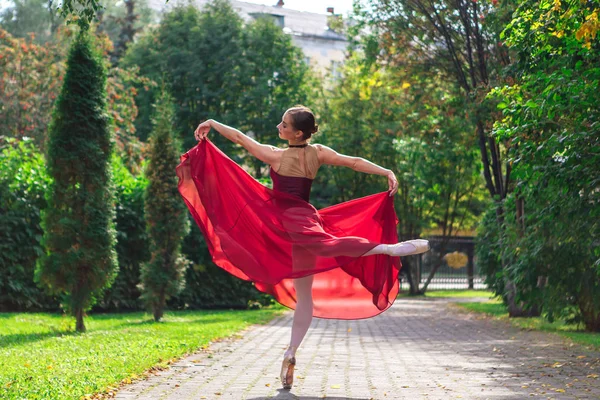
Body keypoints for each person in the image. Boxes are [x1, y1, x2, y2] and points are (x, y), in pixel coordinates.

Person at [178, 105, 430, 390]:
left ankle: (385, 249)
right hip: (306, 218)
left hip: (288, 224)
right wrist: (386, 170)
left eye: (284, 125)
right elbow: (355, 162)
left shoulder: (275, 156)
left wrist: (213, 122)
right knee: (306, 292)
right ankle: (291, 351)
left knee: (324, 252)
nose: (278, 127)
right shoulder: (317, 152)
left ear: (298, 133)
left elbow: (239, 138)